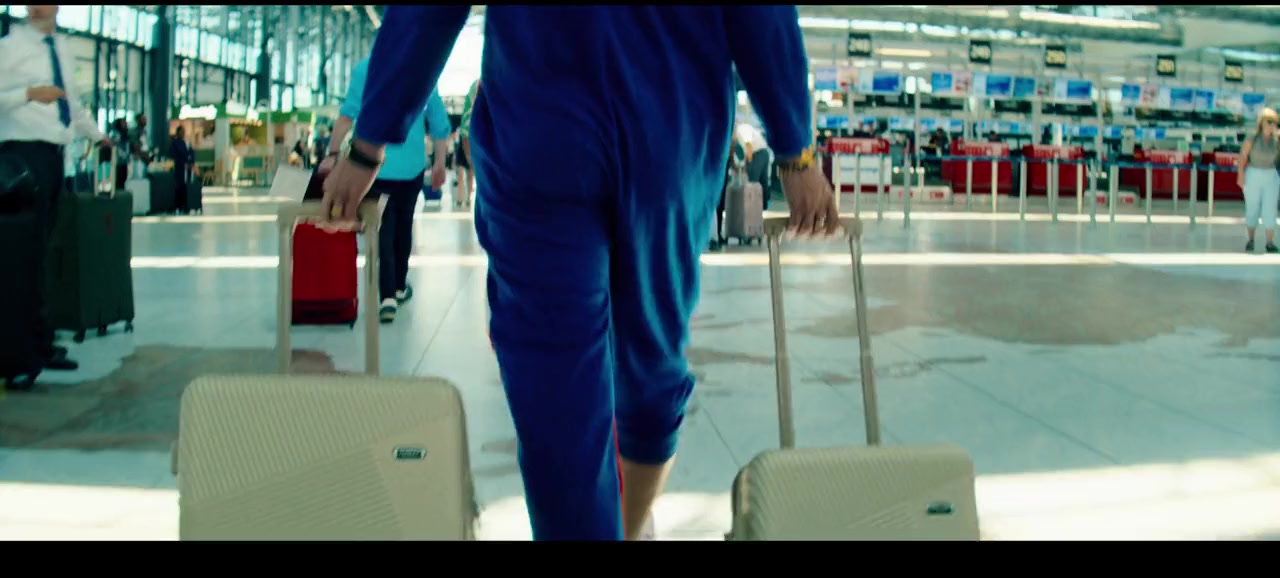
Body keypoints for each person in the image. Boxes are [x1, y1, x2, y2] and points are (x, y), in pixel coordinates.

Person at [321, 5, 838, 541]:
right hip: (598, 132)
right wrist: (793, 149)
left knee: (644, 375)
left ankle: (625, 528)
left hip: (618, 132)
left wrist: (795, 150)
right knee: (571, 391)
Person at [0, 4, 114, 375]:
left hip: (53, 159)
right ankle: (24, 349)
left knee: (41, 255)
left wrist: (98, 136)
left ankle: (40, 342)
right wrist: (28, 93)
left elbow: (71, 105)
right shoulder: (9, 47)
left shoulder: (62, 48)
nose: (36, 7)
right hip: (21, 159)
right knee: (23, 256)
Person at [322, 55, 450, 323]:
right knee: (404, 226)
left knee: (384, 228)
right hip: (412, 168)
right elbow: (439, 122)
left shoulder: (365, 68)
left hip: (375, 168)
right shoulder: (423, 64)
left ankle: (387, 297)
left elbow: (346, 116)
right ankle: (399, 286)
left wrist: (332, 154)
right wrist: (440, 162)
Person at [1237, 107, 1280, 254]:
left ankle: (1269, 242)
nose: (1272, 125)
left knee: (1270, 208)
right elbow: (1243, 157)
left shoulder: (1277, 140)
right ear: (1261, 122)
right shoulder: (1252, 138)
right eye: (1269, 121)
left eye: (1274, 122)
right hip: (1253, 173)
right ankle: (1251, 240)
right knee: (1252, 207)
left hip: (1271, 175)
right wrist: (1240, 175)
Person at [455, 78, 479, 209]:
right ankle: (463, 199)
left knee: (465, 175)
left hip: (476, 147)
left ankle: (465, 198)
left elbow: (465, 128)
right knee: (464, 175)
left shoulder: (479, 85)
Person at [169, 125, 195, 213]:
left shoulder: (186, 143)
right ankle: (179, 206)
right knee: (179, 187)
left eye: (184, 132)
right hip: (179, 169)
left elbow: (191, 153)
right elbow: (173, 156)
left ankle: (186, 205)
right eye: (181, 132)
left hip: (187, 169)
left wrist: (191, 162)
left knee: (186, 186)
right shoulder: (174, 144)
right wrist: (182, 163)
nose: (183, 133)